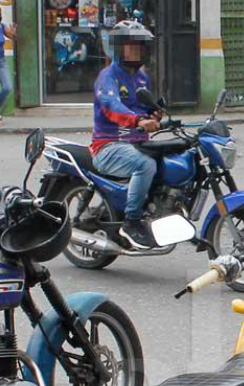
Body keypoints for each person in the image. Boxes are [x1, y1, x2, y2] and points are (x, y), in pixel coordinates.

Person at [89, 20, 162, 249]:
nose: (135, 50)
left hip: (136, 143)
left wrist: (155, 114)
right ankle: (131, 221)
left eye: (139, 46)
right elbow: (112, 106)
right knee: (146, 165)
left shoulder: (141, 78)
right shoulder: (108, 77)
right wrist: (138, 120)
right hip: (108, 146)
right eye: (130, 46)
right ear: (119, 48)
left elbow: (142, 105)